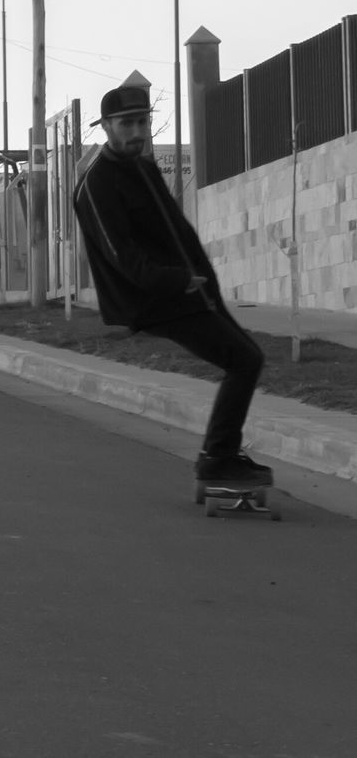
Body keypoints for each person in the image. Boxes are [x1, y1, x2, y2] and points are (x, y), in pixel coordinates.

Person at [73, 86, 271, 487]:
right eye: (126, 123)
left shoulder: (142, 168)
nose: (137, 131)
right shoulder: (97, 184)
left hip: (191, 291)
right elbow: (120, 254)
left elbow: (173, 229)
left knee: (247, 359)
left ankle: (221, 454)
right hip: (157, 300)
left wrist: (200, 278)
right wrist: (176, 280)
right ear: (107, 127)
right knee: (244, 361)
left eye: (142, 122)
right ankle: (217, 458)